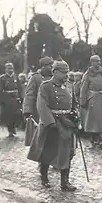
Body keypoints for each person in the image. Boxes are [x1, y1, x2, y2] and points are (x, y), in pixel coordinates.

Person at [27, 60, 78, 191]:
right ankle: (44, 175)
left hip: (66, 122)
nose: (66, 75)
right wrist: (49, 122)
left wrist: (76, 116)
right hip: (52, 123)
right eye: (63, 72)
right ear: (55, 72)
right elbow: (42, 105)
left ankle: (64, 182)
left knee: (67, 152)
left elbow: (74, 103)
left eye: (67, 72)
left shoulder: (69, 86)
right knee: (48, 152)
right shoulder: (46, 86)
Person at [80, 55, 102, 148]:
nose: (98, 63)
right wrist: (83, 100)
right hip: (93, 98)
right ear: (91, 62)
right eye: (96, 61)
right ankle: (95, 137)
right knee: (94, 119)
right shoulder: (87, 74)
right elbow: (83, 88)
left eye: (99, 61)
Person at [23, 57, 53, 123]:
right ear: (43, 66)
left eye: (52, 65)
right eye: (49, 65)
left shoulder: (54, 78)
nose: (51, 67)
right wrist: (27, 111)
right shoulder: (36, 78)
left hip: (53, 109)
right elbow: (30, 95)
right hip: (38, 110)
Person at [0, 62, 24, 138]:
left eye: (12, 68)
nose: (10, 70)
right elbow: (0, 90)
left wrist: (22, 97)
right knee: (8, 116)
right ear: (5, 69)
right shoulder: (2, 78)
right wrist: (1, 100)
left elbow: (20, 88)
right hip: (7, 99)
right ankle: (10, 131)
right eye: (9, 68)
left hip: (16, 99)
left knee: (17, 115)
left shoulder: (16, 77)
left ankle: (14, 127)